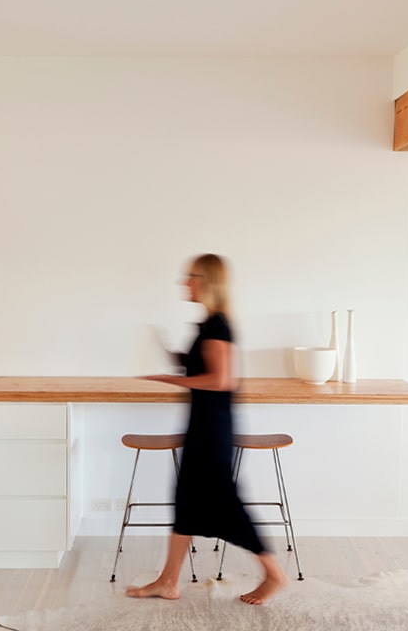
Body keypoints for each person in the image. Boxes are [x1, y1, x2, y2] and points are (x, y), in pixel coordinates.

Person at [126, 253, 288, 605]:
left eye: (191, 276)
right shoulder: (210, 324)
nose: (185, 282)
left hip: (211, 430)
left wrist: (169, 378)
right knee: (186, 500)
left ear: (207, 280)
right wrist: (171, 355)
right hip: (203, 425)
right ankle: (168, 581)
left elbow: (222, 379)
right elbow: (207, 367)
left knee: (225, 504)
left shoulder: (217, 325)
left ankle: (274, 574)